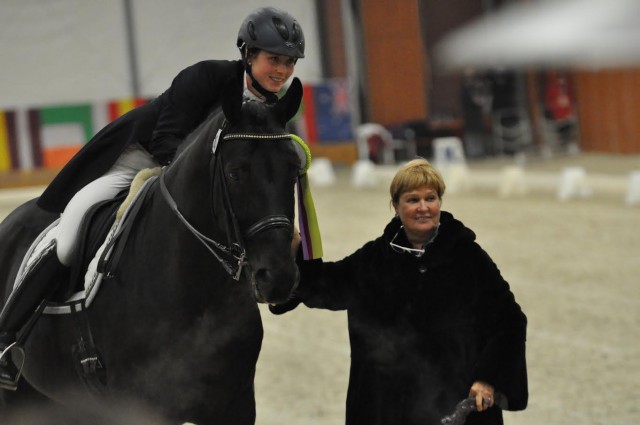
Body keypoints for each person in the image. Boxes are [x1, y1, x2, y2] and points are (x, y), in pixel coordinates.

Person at [0, 6, 305, 391]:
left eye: (289, 62)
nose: (281, 70)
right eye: (273, 59)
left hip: (210, 185)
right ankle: (7, 335)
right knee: (73, 226)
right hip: (141, 160)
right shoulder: (208, 76)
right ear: (248, 53)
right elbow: (165, 140)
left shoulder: (275, 108)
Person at [272, 158, 528, 425]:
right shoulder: (375, 259)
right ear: (395, 206)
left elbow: (510, 320)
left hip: (455, 404)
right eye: (412, 199)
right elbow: (325, 285)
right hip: (389, 407)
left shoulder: (468, 258)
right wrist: (295, 252)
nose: (423, 208)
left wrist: (487, 379)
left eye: (431, 198)